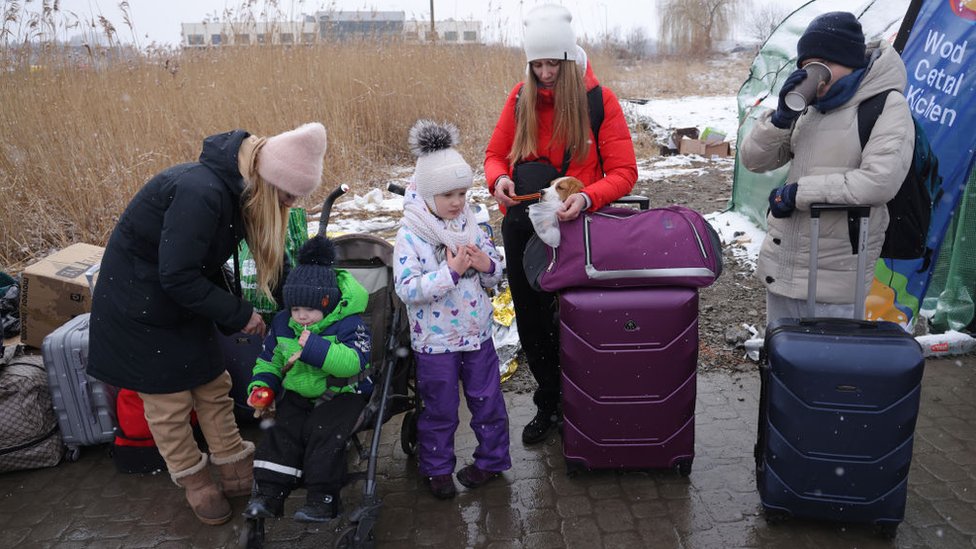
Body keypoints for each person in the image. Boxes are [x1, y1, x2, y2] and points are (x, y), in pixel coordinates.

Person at [87, 122, 328, 525]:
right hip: (138, 308)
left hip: (183, 300)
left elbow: (214, 266)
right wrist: (238, 313)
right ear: (270, 181)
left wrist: (292, 302)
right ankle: (196, 483)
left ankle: (235, 470)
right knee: (168, 405)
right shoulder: (201, 191)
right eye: (287, 197)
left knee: (213, 386)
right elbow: (178, 274)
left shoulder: (238, 191)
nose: (288, 207)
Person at [483, 4, 638, 445]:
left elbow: (625, 172)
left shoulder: (598, 100)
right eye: (538, 64)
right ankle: (548, 402)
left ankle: (587, 401)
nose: (546, 73)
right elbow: (494, 155)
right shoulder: (519, 98)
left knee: (575, 317)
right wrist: (499, 179)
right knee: (531, 323)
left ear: (570, 59)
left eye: (554, 63)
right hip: (521, 225)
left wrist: (588, 197)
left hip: (578, 228)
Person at [739, 12, 914, 325]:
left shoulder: (886, 105)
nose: (813, 75)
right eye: (806, 66)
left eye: (823, 65)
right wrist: (780, 120)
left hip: (836, 274)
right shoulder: (809, 110)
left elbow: (878, 182)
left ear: (849, 61)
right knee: (784, 359)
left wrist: (799, 193)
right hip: (785, 265)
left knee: (831, 364)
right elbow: (754, 160)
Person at [394, 120, 511, 499]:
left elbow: (495, 272)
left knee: (487, 401)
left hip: (477, 335)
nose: (458, 202)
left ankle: (491, 461)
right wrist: (451, 273)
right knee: (440, 409)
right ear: (428, 195)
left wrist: (485, 265)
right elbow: (407, 289)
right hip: (435, 342)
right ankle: (438, 468)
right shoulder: (411, 235)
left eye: (462, 192)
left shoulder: (472, 224)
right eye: (448, 194)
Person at [242, 234, 372, 522]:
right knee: (281, 430)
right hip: (300, 392)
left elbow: (354, 361)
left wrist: (313, 347)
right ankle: (270, 493)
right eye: (296, 309)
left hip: (344, 394)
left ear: (327, 304)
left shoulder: (349, 324)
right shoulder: (284, 324)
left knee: (324, 432)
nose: (301, 317)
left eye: (309, 310)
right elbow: (271, 359)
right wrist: (262, 385)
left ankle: (322, 498)